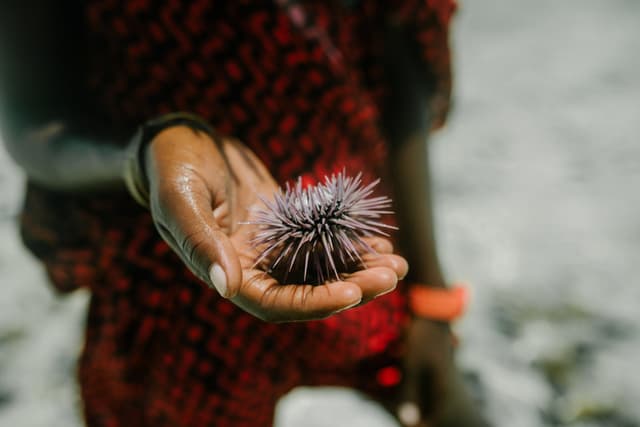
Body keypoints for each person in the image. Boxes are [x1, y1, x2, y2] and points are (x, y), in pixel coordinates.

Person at [0, 1, 487, 426]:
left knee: (444, 410)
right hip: (171, 281)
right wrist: (147, 153)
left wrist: (430, 301)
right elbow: (35, 127)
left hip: (352, 259)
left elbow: (400, 66)